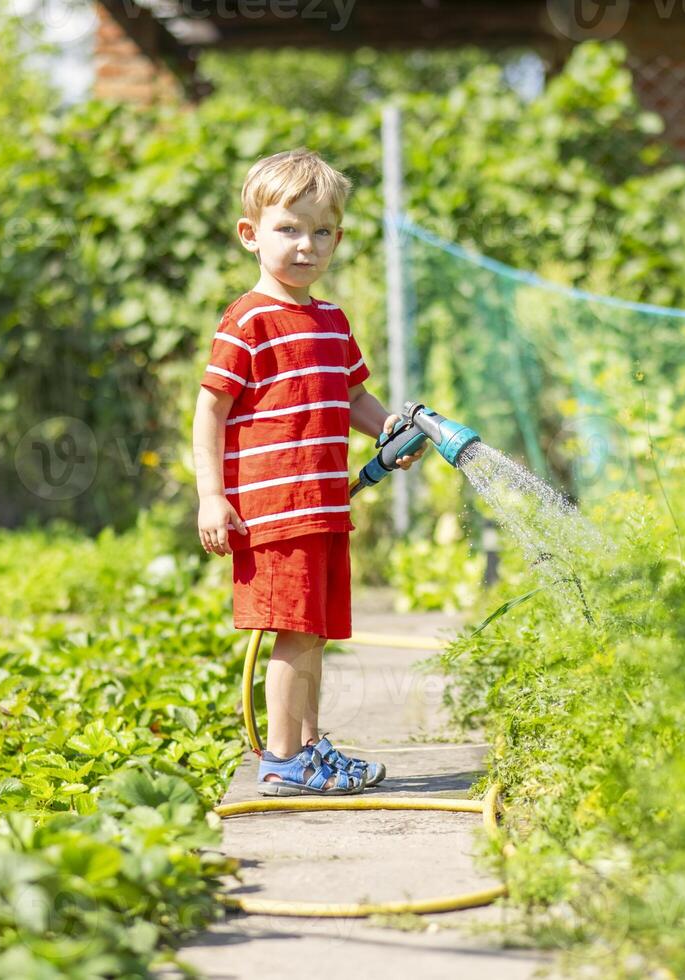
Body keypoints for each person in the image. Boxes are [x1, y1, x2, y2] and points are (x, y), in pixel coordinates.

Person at [192, 148, 425, 796]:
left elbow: (352, 397)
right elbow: (209, 411)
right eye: (289, 229)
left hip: (323, 507)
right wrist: (212, 498)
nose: (306, 245)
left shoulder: (330, 321)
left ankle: (310, 746)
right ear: (251, 235)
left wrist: (388, 430)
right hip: (275, 513)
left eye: (322, 231)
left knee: (313, 636)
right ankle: (284, 758)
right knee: (294, 637)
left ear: (338, 238)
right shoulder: (248, 321)